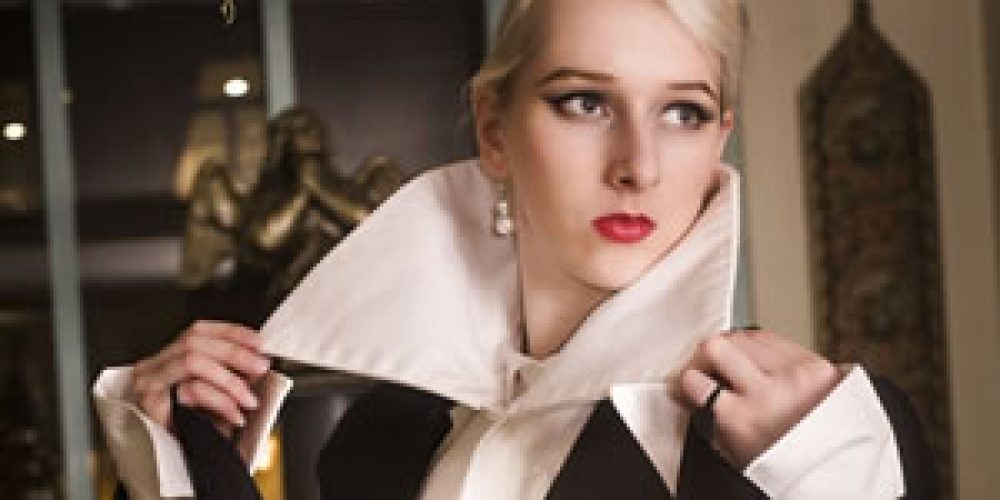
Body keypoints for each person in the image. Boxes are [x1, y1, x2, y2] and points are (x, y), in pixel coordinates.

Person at [93, 0, 937, 498]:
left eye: (681, 112)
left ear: (718, 139)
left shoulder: (821, 434)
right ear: (494, 129)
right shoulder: (380, 440)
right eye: (584, 103)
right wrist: (179, 471)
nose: (638, 165)